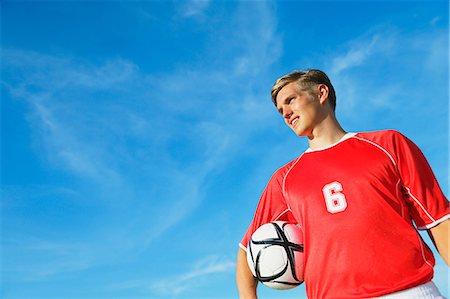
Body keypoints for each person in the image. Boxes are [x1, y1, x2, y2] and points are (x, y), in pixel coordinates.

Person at [236, 69, 449, 299]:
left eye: (290, 100)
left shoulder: (388, 145)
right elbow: (247, 251)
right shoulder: (284, 179)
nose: (286, 113)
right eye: (280, 110)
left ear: (321, 93)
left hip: (410, 292)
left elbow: (438, 220)